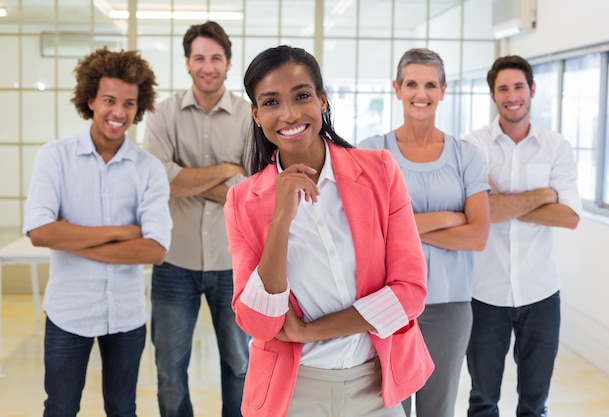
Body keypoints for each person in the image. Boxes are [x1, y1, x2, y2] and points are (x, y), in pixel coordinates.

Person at [224, 45, 434, 417]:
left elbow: (410, 292)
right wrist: (280, 220)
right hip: (293, 392)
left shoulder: (380, 171)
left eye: (302, 96)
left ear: (322, 100)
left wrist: (309, 331)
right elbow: (258, 322)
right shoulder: (243, 201)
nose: (289, 113)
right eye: (271, 102)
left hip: (376, 386)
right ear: (256, 115)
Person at [22, 47, 172, 417]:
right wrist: (122, 232)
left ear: (140, 107)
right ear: (90, 99)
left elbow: (154, 250)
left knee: (123, 409)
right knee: (60, 408)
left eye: (129, 103)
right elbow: (41, 232)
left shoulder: (149, 169)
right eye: (109, 100)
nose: (118, 113)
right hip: (68, 312)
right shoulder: (54, 157)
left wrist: (71, 238)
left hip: (126, 315)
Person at [359, 48, 491, 417]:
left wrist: (403, 228)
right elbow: (369, 232)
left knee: (438, 409)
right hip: (388, 303)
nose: (421, 93)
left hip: (450, 305)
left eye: (430, 84)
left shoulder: (466, 156)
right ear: (396, 89)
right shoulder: (373, 152)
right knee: (388, 408)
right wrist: (450, 218)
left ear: (444, 90)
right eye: (412, 84)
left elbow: (478, 236)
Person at [462, 55, 582, 417]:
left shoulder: (556, 146)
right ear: (492, 95)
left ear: (532, 90)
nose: (512, 95)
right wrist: (544, 194)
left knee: (535, 403)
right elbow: (481, 213)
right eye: (503, 88)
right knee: (483, 401)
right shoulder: (473, 145)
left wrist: (500, 202)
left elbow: (569, 217)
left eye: (518, 86)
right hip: (485, 294)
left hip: (541, 293)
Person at [142, 20, 251, 417]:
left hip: (232, 263)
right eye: (200, 58)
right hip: (175, 262)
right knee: (170, 371)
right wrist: (227, 167)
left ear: (228, 63)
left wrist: (183, 177)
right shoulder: (162, 113)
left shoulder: (247, 117)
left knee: (240, 366)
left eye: (216, 58)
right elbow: (159, 182)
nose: (208, 66)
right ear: (187, 62)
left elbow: (251, 190)